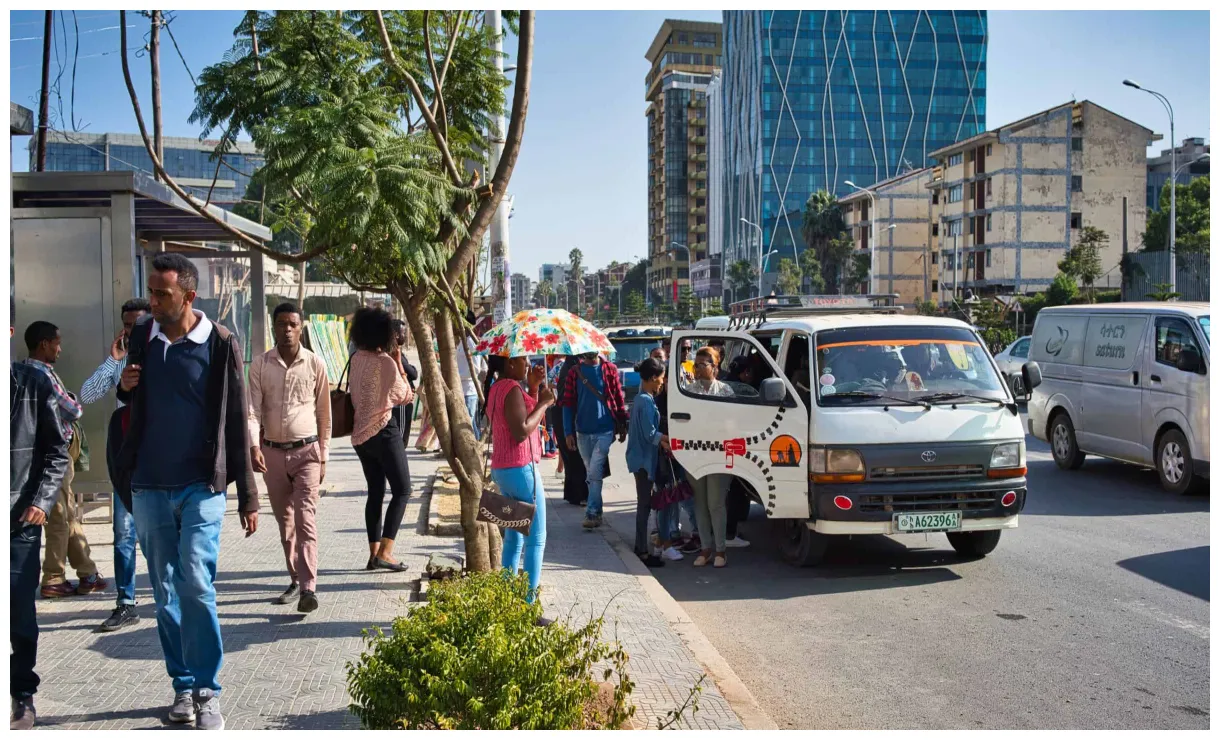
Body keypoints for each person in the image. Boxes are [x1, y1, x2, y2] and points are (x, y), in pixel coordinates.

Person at [115, 253, 258, 730]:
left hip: (202, 486)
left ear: (189, 296)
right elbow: (131, 401)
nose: (152, 302)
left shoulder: (219, 343)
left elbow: (236, 416)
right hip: (149, 486)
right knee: (163, 592)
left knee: (196, 582)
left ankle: (207, 689)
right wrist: (124, 384)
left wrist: (249, 495)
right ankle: (181, 686)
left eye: (162, 294)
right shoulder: (142, 337)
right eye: (151, 292)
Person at [248, 303, 332, 613]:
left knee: (305, 519)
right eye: (281, 323)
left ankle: (309, 586)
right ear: (273, 326)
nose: (287, 329)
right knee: (286, 524)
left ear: (301, 327)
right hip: (271, 454)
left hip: (307, 452)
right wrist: (254, 446)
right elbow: (253, 409)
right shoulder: (260, 365)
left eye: (292, 324)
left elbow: (324, 413)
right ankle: (295, 579)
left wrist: (323, 456)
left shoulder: (315, 364)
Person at [11, 328, 74, 730]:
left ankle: (21, 692)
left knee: (18, 610)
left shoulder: (32, 383)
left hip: (19, 517)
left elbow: (56, 449)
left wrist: (41, 500)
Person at [79, 297, 150, 632]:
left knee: (163, 534)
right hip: (126, 458)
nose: (131, 330)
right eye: (126, 324)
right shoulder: (120, 360)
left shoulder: (165, 353)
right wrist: (112, 361)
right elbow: (86, 395)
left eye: (137, 323)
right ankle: (126, 603)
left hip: (161, 460)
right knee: (123, 533)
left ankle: (174, 598)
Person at [21, 323, 106, 600]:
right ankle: (54, 577)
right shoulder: (43, 376)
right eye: (57, 342)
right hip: (54, 456)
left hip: (40, 455)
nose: (60, 348)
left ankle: (87, 572)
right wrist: (71, 399)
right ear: (44, 344)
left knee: (67, 513)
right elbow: (73, 410)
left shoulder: (20, 372)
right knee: (59, 517)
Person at [483, 355, 554, 607]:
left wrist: (534, 388)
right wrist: (544, 403)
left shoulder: (498, 387)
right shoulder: (511, 389)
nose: (527, 364)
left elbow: (521, 418)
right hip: (521, 468)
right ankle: (529, 606)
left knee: (515, 537)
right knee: (537, 537)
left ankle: (505, 599)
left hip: (504, 468)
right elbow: (521, 430)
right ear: (510, 364)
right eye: (523, 360)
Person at [349, 307, 415, 572]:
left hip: (360, 436)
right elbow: (405, 396)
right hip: (384, 430)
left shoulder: (356, 358)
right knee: (403, 489)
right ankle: (387, 552)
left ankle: (373, 554)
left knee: (375, 492)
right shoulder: (385, 362)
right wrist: (399, 363)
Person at [560, 351, 628, 529]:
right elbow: (567, 404)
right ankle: (597, 511)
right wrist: (568, 432)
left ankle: (591, 512)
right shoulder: (574, 372)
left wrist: (622, 424)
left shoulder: (609, 369)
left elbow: (619, 398)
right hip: (582, 431)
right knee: (591, 473)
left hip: (605, 430)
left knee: (595, 472)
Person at [685, 347, 733, 568]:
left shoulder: (725, 391)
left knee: (716, 503)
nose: (698, 368)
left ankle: (721, 550)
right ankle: (705, 548)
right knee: (700, 503)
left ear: (715, 367)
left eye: (704, 364)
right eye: (697, 363)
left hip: (720, 453)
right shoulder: (687, 390)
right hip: (695, 453)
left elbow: (732, 424)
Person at [648, 346, 697, 557]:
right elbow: (651, 433)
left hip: (681, 455)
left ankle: (695, 533)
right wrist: (664, 441)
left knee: (685, 496)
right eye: (668, 380)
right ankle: (665, 539)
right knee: (666, 500)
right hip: (663, 459)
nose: (673, 385)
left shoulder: (684, 400)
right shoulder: (652, 402)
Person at [626, 358, 671, 567]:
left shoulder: (643, 398)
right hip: (642, 461)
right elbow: (649, 434)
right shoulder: (644, 400)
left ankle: (643, 547)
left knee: (645, 504)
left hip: (642, 459)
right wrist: (665, 441)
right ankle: (642, 550)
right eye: (660, 380)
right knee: (644, 506)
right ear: (653, 378)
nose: (662, 383)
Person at [457, 311, 487, 440]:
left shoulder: (472, 343)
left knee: (469, 421)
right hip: (461, 387)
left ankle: (475, 445)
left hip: (470, 388)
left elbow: (477, 368)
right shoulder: (462, 342)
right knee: (471, 421)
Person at [391, 320, 419, 448]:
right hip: (401, 403)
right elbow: (413, 374)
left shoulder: (396, 353)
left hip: (400, 400)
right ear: (396, 334)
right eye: (403, 333)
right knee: (400, 442)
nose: (405, 336)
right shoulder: (395, 354)